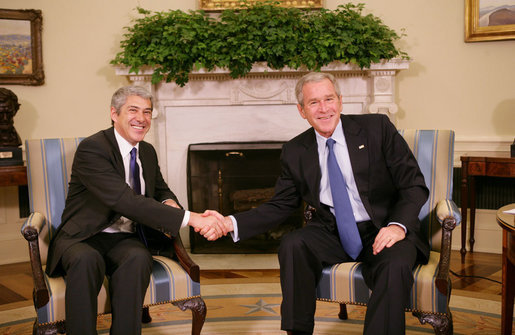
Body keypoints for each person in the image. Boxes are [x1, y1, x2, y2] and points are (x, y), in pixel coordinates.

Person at [203, 72, 430, 335]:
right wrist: (229, 222)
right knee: (293, 244)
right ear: (302, 110)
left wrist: (397, 226)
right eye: (313, 103)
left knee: (395, 264)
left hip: (383, 227)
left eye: (329, 99)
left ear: (340, 101)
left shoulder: (377, 128)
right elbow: (280, 205)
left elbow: (413, 184)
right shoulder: (295, 150)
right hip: (331, 231)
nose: (324, 109)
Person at [45, 86, 226, 335]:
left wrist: (169, 203)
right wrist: (191, 218)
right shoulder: (93, 148)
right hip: (83, 236)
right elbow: (125, 201)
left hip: (124, 238)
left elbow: (161, 189)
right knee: (86, 260)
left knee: (139, 258)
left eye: (147, 112)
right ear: (113, 113)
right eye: (133, 110)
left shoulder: (147, 152)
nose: (141, 118)